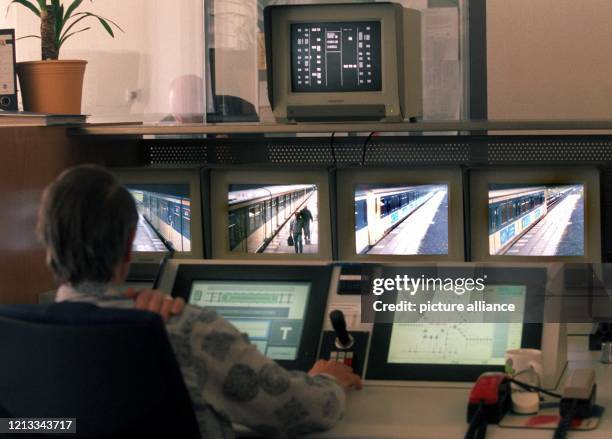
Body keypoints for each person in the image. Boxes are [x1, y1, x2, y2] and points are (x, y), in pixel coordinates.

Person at [37, 165, 362, 438]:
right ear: (128, 246)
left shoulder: (16, 340)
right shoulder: (184, 329)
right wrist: (330, 379)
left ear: (46, 245)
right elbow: (303, 410)